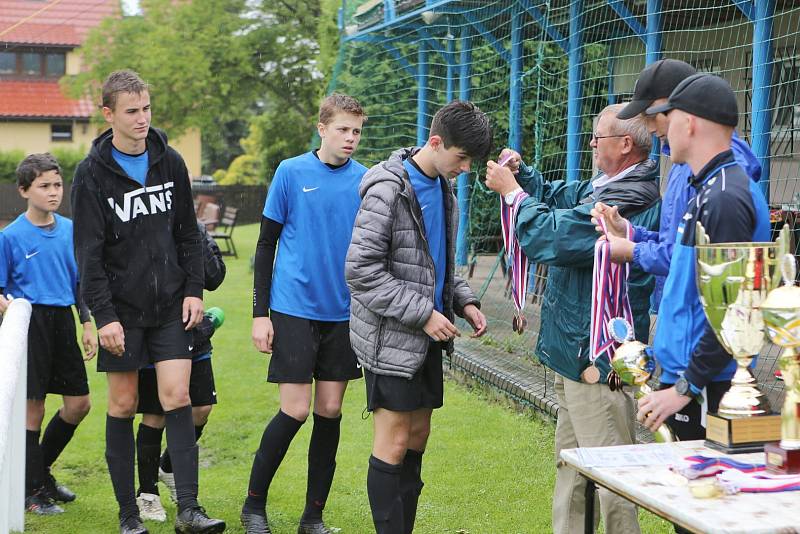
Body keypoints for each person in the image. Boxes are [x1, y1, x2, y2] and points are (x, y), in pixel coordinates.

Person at [485, 103, 660, 534]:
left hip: (598, 361)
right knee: (573, 468)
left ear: (624, 144)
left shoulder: (629, 197)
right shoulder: (607, 183)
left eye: (597, 137)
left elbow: (554, 236)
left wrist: (512, 194)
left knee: (612, 479)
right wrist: (524, 177)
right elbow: (559, 195)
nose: (591, 144)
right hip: (572, 352)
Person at [71, 70, 224, 534]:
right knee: (123, 404)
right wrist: (104, 317)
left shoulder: (170, 161)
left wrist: (195, 290)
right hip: (122, 313)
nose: (142, 119)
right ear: (109, 114)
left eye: (146, 109)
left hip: (171, 307)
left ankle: (190, 512)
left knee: (177, 396)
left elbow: (188, 235)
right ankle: (129, 514)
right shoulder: (91, 174)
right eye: (132, 111)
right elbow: (88, 255)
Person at [346, 100, 489, 534]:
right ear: (435, 142)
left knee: (418, 437)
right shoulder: (388, 188)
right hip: (391, 336)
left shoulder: (443, 189)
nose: (465, 168)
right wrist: (424, 314)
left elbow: (432, 264)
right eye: (461, 157)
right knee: (392, 443)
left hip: (426, 335)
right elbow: (361, 271)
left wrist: (464, 300)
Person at [240, 93, 368, 534]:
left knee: (330, 409)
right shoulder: (291, 172)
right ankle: (253, 506)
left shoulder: (367, 179)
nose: (350, 138)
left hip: (343, 312)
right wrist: (260, 314)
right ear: (322, 129)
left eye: (356, 131)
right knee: (295, 410)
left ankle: (312, 518)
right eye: (343, 130)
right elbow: (264, 245)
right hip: (293, 307)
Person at [631, 74, 770, 441]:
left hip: (709, 385)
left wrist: (686, 387)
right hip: (693, 377)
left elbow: (733, 309)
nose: (660, 129)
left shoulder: (725, 196)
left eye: (667, 117)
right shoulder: (708, 188)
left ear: (688, 123)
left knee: (705, 494)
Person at [592, 59, 762, 312]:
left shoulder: (724, 184)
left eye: (651, 114)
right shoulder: (682, 165)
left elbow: (706, 269)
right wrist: (631, 233)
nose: (648, 128)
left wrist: (634, 251)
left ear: (683, 112)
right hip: (681, 316)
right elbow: (677, 243)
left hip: (700, 325)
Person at [0, 153, 97, 515]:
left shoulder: (71, 230)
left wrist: (87, 323)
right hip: (30, 325)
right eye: (44, 186)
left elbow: (79, 284)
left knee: (79, 404)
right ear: (25, 190)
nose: (54, 192)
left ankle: (39, 472)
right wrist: (11, 310)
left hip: (63, 323)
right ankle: (32, 493)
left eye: (57, 185)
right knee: (33, 410)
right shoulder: (9, 237)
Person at [134, 222, 226, 523]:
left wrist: (196, 233)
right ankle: (147, 494)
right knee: (156, 413)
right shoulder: (142, 223)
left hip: (192, 327)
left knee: (201, 408)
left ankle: (169, 467)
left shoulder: (193, 228)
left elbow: (214, 277)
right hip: (153, 328)